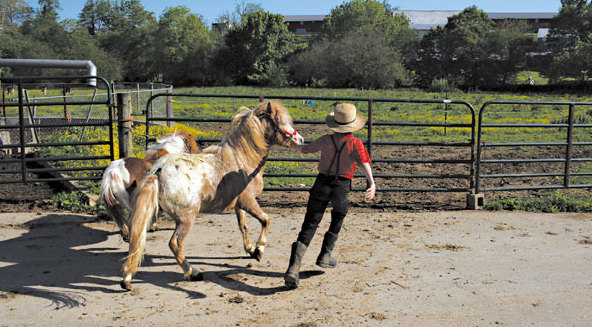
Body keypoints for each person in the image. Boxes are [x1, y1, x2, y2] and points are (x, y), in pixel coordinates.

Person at [284, 103, 376, 289]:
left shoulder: (325, 140)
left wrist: (292, 142)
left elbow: (304, 149)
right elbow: (364, 163)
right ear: (351, 125)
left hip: (321, 183)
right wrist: (371, 183)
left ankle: (293, 267)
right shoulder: (355, 143)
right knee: (339, 215)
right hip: (341, 185)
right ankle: (325, 254)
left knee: (311, 221)